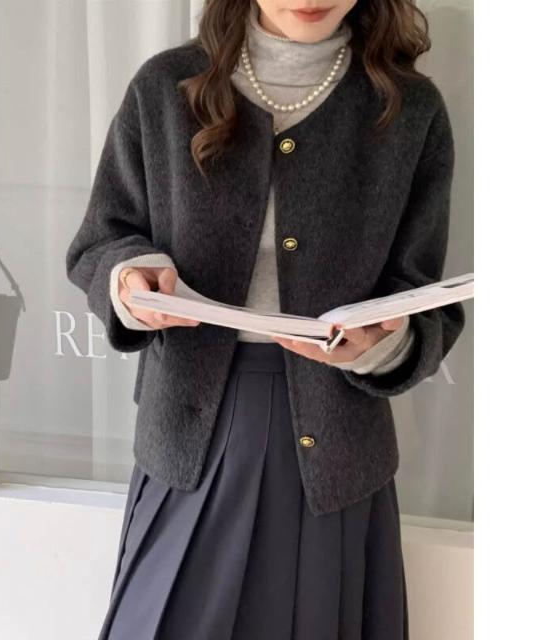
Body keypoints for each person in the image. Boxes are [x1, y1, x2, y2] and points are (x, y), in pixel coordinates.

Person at [65, 1, 466, 638]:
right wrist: (129, 277)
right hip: (191, 437)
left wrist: (380, 344)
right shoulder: (166, 87)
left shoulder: (409, 110)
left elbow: (425, 298)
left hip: (336, 446)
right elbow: (101, 241)